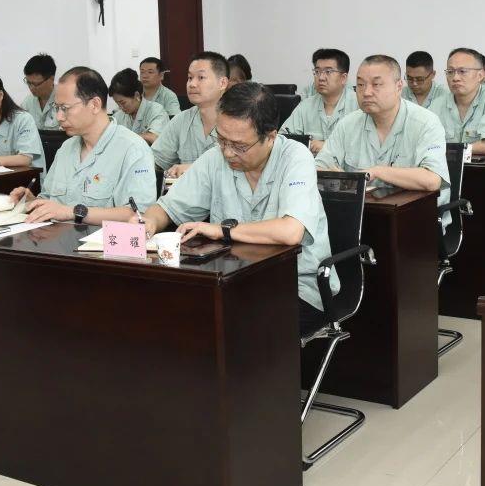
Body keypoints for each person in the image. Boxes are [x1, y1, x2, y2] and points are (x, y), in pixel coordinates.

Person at [135, 82, 337, 329]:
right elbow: (167, 207)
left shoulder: (295, 157)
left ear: (270, 136)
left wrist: (222, 230)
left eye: (239, 146)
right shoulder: (215, 158)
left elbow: (291, 232)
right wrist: (149, 221)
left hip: (294, 287)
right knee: (170, 312)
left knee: (230, 327)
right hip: (232, 283)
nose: (228, 152)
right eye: (221, 140)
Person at [9, 68, 156, 224]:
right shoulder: (66, 148)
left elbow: (137, 214)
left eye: (65, 108)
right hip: (57, 237)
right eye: (57, 108)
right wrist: (32, 202)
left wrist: (73, 212)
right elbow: (51, 200)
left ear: (94, 105)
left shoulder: (132, 149)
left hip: (102, 239)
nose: (59, 117)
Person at [316, 54, 449, 220]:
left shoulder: (426, 122)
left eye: (376, 84)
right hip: (359, 216)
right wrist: (343, 179)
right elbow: (317, 168)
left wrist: (377, 171)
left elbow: (432, 180)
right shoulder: (348, 124)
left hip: (414, 219)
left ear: (399, 87)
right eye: (360, 84)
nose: (366, 92)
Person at [151, 51, 229, 178]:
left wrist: (195, 168)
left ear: (222, 83)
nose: (192, 84)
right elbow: (156, 161)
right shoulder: (181, 121)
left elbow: (244, 166)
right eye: (190, 78)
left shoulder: (240, 121)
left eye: (201, 77)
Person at [433, 47, 485, 157]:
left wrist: (447, 151)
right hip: (447, 165)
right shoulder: (437, 104)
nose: (455, 78)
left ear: (480, 75)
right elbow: (423, 141)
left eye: (462, 71)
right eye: (450, 72)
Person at [280, 48, 355, 155]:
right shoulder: (306, 106)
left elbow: (364, 146)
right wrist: (307, 144)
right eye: (317, 72)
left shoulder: (359, 105)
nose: (321, 77)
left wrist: (328, 147)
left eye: (328, 72)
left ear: (343, 78)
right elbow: (283, 139)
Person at [109, 67, 169, 145]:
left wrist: (124, 138)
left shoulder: (156, 110)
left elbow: (153, 138)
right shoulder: (118, 115)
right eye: (117, 103)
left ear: (136, 95)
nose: (120, 107)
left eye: (123, 103)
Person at [22, 53, 59, 130]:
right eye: (29, 83)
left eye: (36, 84)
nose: (31, 88)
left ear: (51, 79)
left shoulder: (65, 100)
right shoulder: (28, 102)